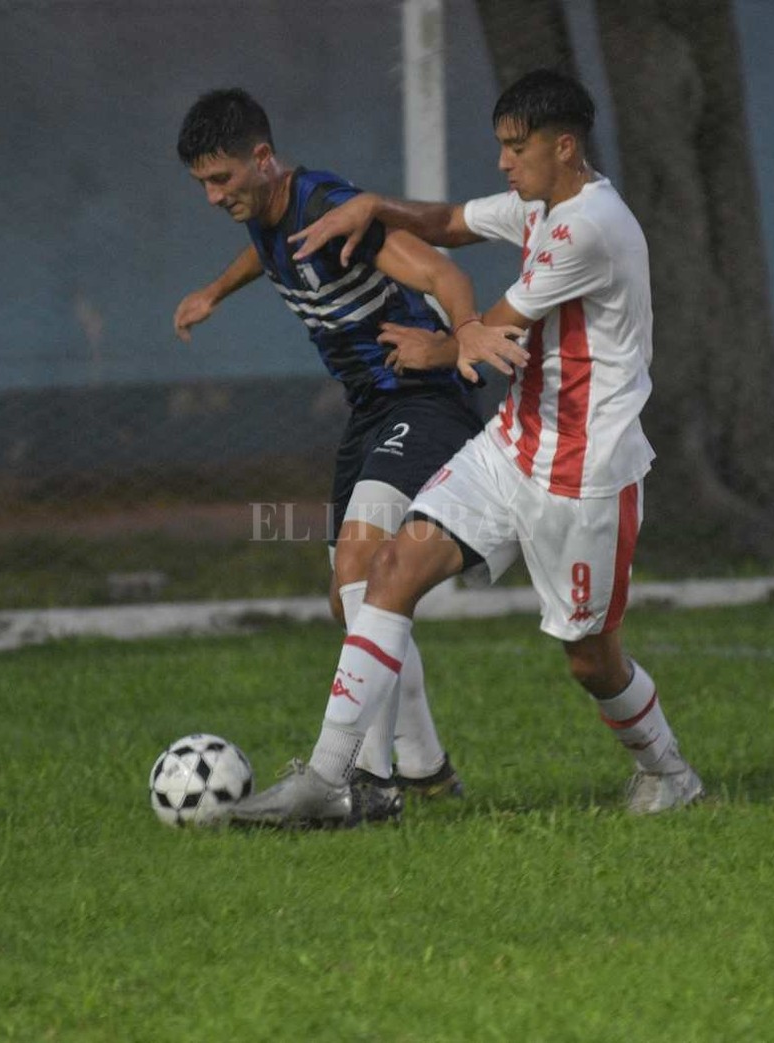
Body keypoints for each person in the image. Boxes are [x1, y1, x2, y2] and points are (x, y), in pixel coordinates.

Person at [228, 69, 704, 829]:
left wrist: (436, 348)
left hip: (581, 475)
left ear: (564, 145)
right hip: (510, 446)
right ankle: (330, 778)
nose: (503, 162)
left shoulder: (589, 227)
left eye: (515, 148)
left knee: (591, 659)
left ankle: (668, 769)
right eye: (500, 147)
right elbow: (449, 220)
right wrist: (375, 204)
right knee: (389, 569)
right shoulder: (545, 204)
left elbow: (493, 332)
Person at [172, 89, 527, 821]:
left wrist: (462, 336)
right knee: (351, 598)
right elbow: (266, 252)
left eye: (222, 180)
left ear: (263, 160)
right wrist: (213, 290)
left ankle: (363, 784)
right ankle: (422, 767)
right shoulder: (269, 212)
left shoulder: (328, 207)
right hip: (371, 409)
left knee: (359, 565)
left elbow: (443, 274)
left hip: (424, 398)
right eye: (202, 184)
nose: (211, 197)